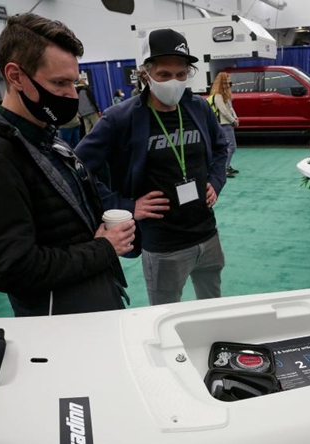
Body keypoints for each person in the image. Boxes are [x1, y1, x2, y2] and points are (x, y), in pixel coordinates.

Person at [0, 12, 135, 316]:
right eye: (59, 82)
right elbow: (9, 268)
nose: (71, 94)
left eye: (73, 82)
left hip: (90, 291)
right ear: (16, 76)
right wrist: (102, 249)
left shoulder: (41, 134)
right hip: (58, 314)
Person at [75, 28, 229, 306]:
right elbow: (77, 167)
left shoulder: (199, 108)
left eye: (181, 75)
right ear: (147, 74)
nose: (174, 82)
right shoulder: (119, 119)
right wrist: (125, 205)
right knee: (164, 313)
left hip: (208, 234)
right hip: (163, 245)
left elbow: (221, 147)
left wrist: (216, 181)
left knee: (213, 305)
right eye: (164, 75)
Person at [209, 72, 240, 178]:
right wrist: (233, 120)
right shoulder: (218, 96)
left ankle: (226, 166)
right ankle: (224, 168)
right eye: (227, 82)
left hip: (227, 124)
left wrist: (235, 118)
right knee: (231, 146)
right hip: (224, 124)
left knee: (230, 146)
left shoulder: (224, 96)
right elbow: (224, 111)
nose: (229, 85)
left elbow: (230, 109)